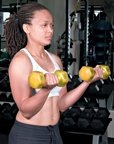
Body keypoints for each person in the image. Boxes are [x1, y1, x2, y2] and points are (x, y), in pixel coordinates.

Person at [4, 2, 103, 144]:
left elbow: (61, 104)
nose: (50, 30)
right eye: (44, 25)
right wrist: (45, 90)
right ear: (27, 28)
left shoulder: (55, 60)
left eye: (52, 25)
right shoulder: (21, 61)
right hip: (28, 134)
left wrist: (87, 82)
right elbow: (26, 111)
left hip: (54, 133)